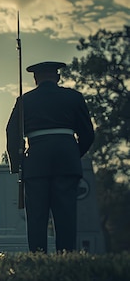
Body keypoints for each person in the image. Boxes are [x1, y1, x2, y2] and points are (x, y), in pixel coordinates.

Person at [6, 61, 94, 253]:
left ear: (36, 79)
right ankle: (66, 256)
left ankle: (38, 256)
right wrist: (73, 154)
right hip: (66, 160)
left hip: (36, 161)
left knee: (37, 216)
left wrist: (17, 164)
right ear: (58, 77)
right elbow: (88, 134)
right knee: (66, 215)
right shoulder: (74, 97)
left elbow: (12, 132)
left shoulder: (24, 101)